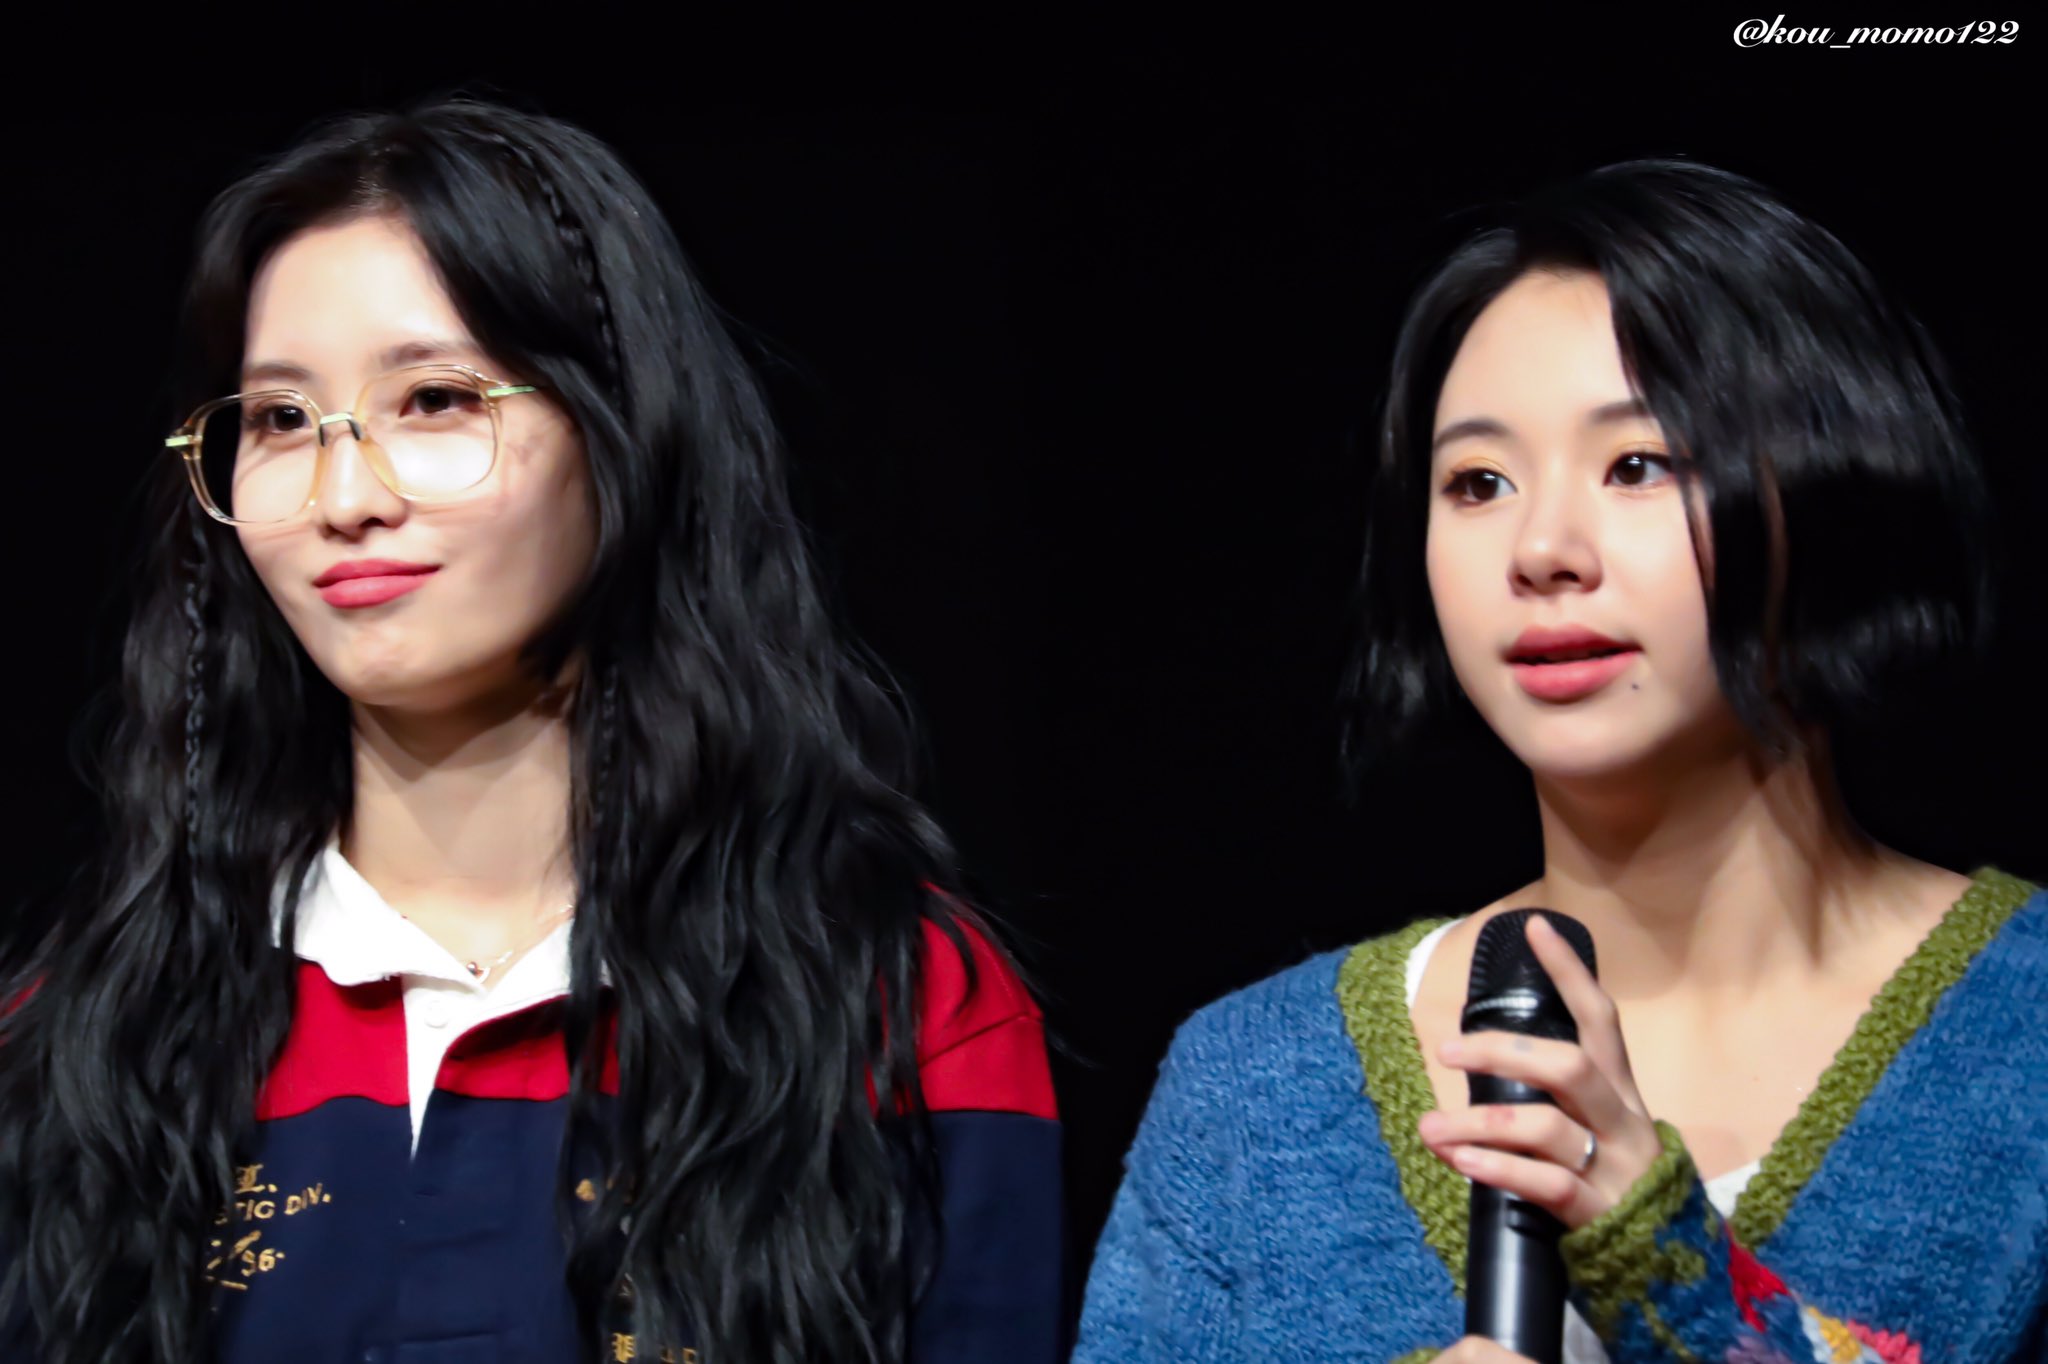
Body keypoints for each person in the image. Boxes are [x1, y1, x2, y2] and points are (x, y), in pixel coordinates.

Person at [0, 95, 1063, 1364]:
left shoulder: (898, 1002)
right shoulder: (87, 1036)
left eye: (434, 399)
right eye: (280, 419)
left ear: (622, 430)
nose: (344, 494)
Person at [1073, 158, 2045, 1363]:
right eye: (1476, 482)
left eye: (1635, 464)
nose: (1538, 547)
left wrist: (1661, 1261)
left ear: (1828, 489)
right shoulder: (1254, 1086)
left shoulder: (2021, 1033)